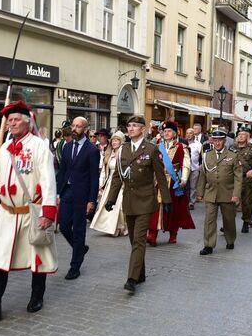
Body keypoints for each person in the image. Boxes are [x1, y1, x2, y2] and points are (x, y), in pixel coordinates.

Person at [0, 101, 57, 319]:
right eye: (9, 121)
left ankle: (37, 296)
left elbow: (48, 181)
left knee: (38, 255)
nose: (12, 124)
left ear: (27, 122)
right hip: (6, 213)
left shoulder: (39, 147)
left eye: (16, 120)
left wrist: (47, 213)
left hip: (30, 212)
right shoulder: (4, 148)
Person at [104, 115, 172, 293]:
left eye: (135, 125)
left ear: (143, 129)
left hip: (145, 200)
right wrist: (111, 198)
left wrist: (166, 200)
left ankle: (132, 279)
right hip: (129, 201)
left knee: (139, 241)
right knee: (133, 240)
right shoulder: (124, 149)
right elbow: (118, 176)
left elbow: (161, 177)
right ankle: (140, 273)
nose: (131, 128)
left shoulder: (151, 149)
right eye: (129, 125)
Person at [57, 116, 100, 281]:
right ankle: (80, 248)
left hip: (82, 195)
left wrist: (92, 200)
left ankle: (75, 266)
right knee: (64, 226)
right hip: (67, 192)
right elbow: (63, 171)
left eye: (78, 126)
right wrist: (58, 193)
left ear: (85, 129)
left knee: (79, 230)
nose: (74, 129)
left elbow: (94, 177)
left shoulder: (92, 150)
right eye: (73, 126)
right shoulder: (67, 147)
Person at [148, 121, 195, 245]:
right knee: (155, 208)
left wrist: (184, 179)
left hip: (173, 182)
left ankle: (173, 234)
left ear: (174, 133)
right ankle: (152, 234)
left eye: (169, 131)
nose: (166, 133)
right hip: (158, 182)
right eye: (164, 131)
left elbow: (186, 165)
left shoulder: (181, 147)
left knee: (174, 209)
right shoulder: (157, 147)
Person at [196, 130, 242, 255]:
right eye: (215, 140)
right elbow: (203, 175)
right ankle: (209, 245)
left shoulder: (233, 155)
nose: (217, 143)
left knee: (229, 219)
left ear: (224, 141)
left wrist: (236, 195)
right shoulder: (207, 155)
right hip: (211, 192)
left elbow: (238, 177)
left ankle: (230, 239)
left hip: (228, 192)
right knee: (209, 220)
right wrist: (200, 192)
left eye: (220, 140)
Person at [91, 130, 127, 236]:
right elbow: (104, 170)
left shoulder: (124, 154)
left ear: (121, 142)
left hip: (121, 184)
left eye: (117, 140)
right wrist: (101, 184)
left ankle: (120, 227)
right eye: (113, 140)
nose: (114, 142)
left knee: (119, 207)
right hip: (110, 183)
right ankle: (110, 226)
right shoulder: (109, 153)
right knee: (108, 205)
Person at [229, 127, 252, 233]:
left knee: (247, 202)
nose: (241, 136)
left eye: (243, 134)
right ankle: (228, 224)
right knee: (231, 202)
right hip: (233, 179)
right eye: (239, 134)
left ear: (247, 137)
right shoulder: (231, 147)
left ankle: (246, 222)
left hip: (246, 179)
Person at [186, 128, 202, 209]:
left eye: (190, 133)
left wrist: (201, 164)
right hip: (185, 168)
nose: (188, 135)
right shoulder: (182, 143)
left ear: (194, 135)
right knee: (184, 186)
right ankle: (184, 202)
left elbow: (202, 156)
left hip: (194, 168)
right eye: (187, 133)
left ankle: (191, 202)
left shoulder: (198, 144)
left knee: (193, 186)